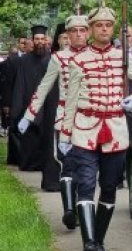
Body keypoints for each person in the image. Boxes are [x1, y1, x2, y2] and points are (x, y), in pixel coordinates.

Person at [60, 6, 132, 251]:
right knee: (87, 184)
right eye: (98, 25)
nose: (103, 29)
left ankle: (99, 240)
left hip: (115, 129)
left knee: (110, 187)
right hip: (85, 129)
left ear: (112, 28)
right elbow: (69, 101)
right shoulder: (78, 60)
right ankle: (88, 243)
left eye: (108, 25)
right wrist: (65, 135)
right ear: (90, 29)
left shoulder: (123, 56)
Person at [19, 14, 89, 226]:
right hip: (63, 119)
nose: (78, 35)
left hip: (88, 119)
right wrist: (29, 115)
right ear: (66, 35)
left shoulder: (96, 56)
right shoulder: (58, 58)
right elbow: (43, 87)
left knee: (84, 167)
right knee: (66, 163)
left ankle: (79, 206)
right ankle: (69, 209)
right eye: (73, 31)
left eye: (82, 30)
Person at [6, 25, 53, 173]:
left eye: (42, 39)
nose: (40, 42)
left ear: (46, 40)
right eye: (37, 39)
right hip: (28, 105)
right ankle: (29, 164)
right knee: (30, 138)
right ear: (32, 41)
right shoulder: (24, 61)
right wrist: (17, 107)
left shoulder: (53, 59)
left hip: (48, 106)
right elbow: (19, 84)